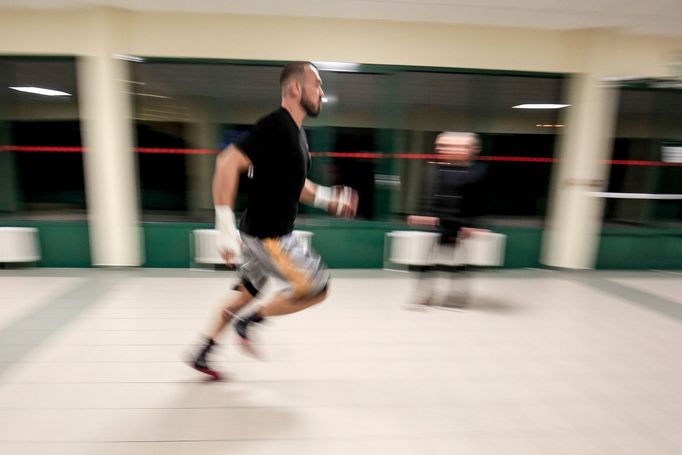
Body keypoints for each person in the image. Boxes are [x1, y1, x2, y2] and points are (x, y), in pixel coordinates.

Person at [190, 62, 358, 379]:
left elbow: (297, 185)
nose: (322, 93)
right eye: (317, 85)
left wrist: (329, 198)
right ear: (295, 88)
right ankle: (250, 322)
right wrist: (223, 229)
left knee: (248, 292)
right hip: (272, 236)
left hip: (256, 231)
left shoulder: (296, 135)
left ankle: (204, 351)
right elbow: (227, 162)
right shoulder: (276, 126)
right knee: (317, 288)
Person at [407, 131, 487, 308]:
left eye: (447, 146)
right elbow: (431, 196)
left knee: (458, 263)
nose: (441, 149)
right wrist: (423, 215)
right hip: (441, 222)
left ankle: (456, 296)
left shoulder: (475, 173)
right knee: (429, 262)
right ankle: (426, 294)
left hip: (459, 223)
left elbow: (477, 201)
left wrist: (470, 224)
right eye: (441, 146)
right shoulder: (437, 170)